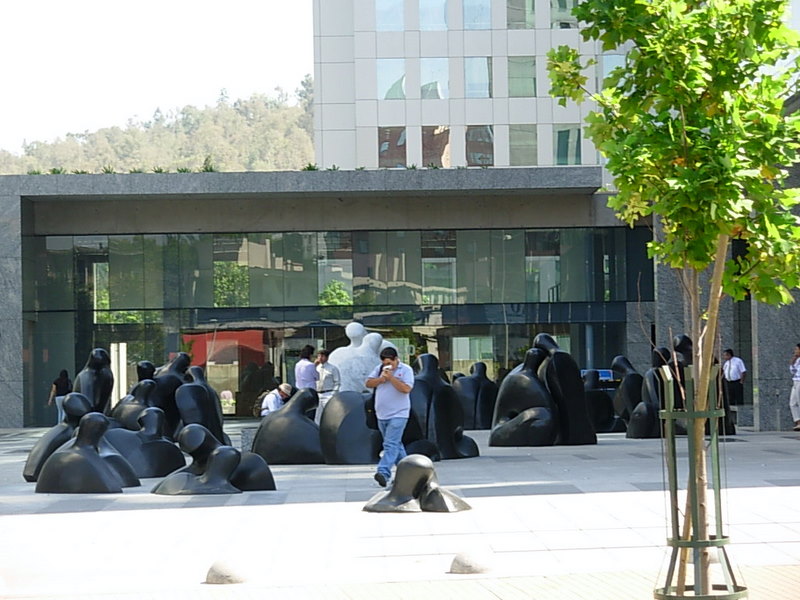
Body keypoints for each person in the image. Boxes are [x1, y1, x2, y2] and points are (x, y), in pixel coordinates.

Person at [365, 347, 414, 487]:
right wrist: (381, 379)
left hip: (399, 413)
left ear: (396, 359)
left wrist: (391, 378)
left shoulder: (406, 370)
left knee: (390, 444)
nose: (388, 366)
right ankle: (408, 473)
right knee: (396, 445)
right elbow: (368, 383)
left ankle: (383, 472)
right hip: (382, 413)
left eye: (390, 363)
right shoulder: (379, 369)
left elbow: (406, 389)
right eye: (385, 363)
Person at [315, 349, 341, 425]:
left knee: (329, 413)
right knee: (317, 415)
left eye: (322, 356)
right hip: (318, 393)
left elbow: (337, 382)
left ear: (327, 357)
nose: (320, 358)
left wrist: (333, 394)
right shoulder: (316, 368)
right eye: (319, 356)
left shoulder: (333, 368)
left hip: (328, 393)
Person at [789, 344, 800, 431]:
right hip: (795, 381)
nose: (795, 351)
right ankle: (797, 421)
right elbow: (793, 371)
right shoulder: (797, 360)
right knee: (792, 402)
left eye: (797, 349)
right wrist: (793, 362)